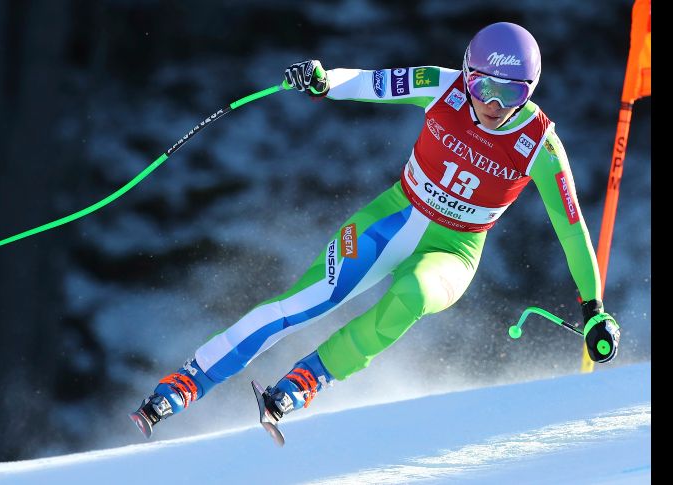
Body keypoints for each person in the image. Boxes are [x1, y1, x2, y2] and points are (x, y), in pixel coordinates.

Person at [130, 22, 621, 438]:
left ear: (529, 92)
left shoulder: (541, 144)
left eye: (510, 93)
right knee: (306, 302)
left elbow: (573, 230)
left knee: (410, 294)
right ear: (467, 74)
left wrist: (593, 309)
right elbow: (372, 81)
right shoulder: (441, 84)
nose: (492, 104)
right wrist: (323, 81)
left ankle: (307, 379)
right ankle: (186, 382)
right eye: (482, 87)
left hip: (453, 252)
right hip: (393, 214)